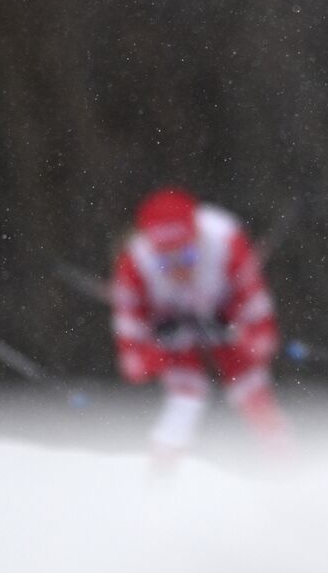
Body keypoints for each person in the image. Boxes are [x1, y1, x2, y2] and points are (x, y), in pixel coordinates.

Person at [111, 187, 289, 468]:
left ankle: (283, 463)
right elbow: (131, 362)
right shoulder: (134, 265)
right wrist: (158, 345)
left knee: (249, 384)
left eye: (187, 257)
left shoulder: (227, 243)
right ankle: (163, 471)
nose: (177, 269)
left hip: (227, 321)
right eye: (165, 261)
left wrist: (234, 334)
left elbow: (263, 334)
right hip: (172, 340)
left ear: (199, 240)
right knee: (185, 392)